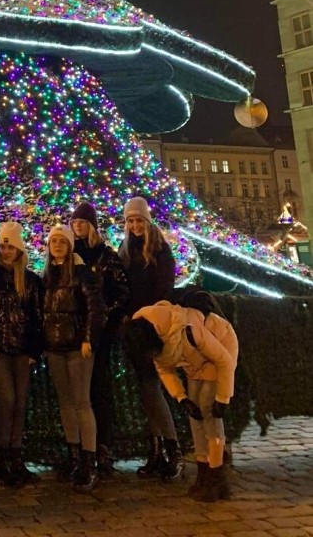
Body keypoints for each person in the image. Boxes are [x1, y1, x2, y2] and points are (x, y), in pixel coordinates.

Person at [123, 299, 238, 501]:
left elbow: (224, 360)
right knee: (195, 415)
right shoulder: (154, 337)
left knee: (208, 410)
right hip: (194, 365)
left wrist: (223, 397)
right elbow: (164, 368)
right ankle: (203, 473)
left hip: (218, 352)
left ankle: (216, 475)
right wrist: (182, 398)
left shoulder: (188, 329)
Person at [118, 196, 183, 480]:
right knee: (146, 391)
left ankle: (173, 449)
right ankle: (156, 450)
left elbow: (165, 288)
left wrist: (150, 316)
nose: (134, 225)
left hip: (153, 328)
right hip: (133, 328)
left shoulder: (159, 249)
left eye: (138, 220)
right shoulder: (125, 250)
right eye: (130, 221)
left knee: (153, 388)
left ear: (147, 221)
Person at [0, 220, 43, 487]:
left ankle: (16, 455)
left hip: (23, 349)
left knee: (20, 401)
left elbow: (37, 316)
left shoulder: (31, 281)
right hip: (1, 349)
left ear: (19, 249)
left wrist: (35, 350)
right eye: (2, 246)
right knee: (7, 398)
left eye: (10, 246)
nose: (5, 251)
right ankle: (3, 455)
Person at [42, 224, 105, 492]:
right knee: (66, 403)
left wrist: (89, 338)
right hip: (55, 347)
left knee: (81, 403)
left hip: (77, 347)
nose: (57, 245)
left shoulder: (80, 273)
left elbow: (95, 307)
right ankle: (74, 456)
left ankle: (89, 462)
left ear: (69, 246)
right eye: (53, 241)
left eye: (62, 241)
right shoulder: (45, 276)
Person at [69, 200, 130, 477]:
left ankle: (103, 446)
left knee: (100, 389)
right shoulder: (70, 254)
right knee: (79, 393)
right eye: (75, 222)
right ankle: (81, 448)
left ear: (92, 225)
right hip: (74, 334)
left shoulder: (106, 255)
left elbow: (120, 292)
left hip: (101, 334)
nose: (78, 226)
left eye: (82, 222)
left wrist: (105, 318)